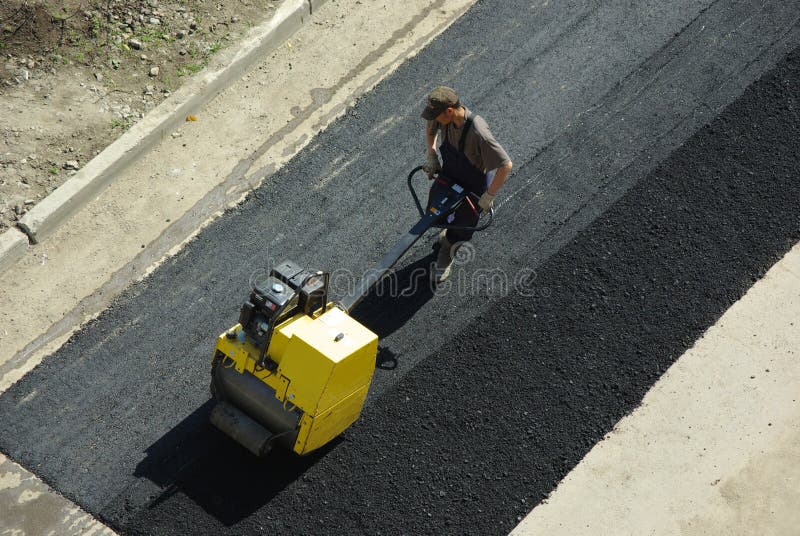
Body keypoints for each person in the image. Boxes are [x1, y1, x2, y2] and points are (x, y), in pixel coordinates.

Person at [421, 86, 513, 283]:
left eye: (437, 116)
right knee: (434, 211)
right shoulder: (442, 117)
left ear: (449, 111)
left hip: (474, 182)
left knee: (463, 224)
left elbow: (506, 165)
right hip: (450, 174)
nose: (435, 120)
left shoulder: (478, 131)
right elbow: (430, 128)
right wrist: (431, 154)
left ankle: (449, 249)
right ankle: (447, 229)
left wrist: (489, 195)